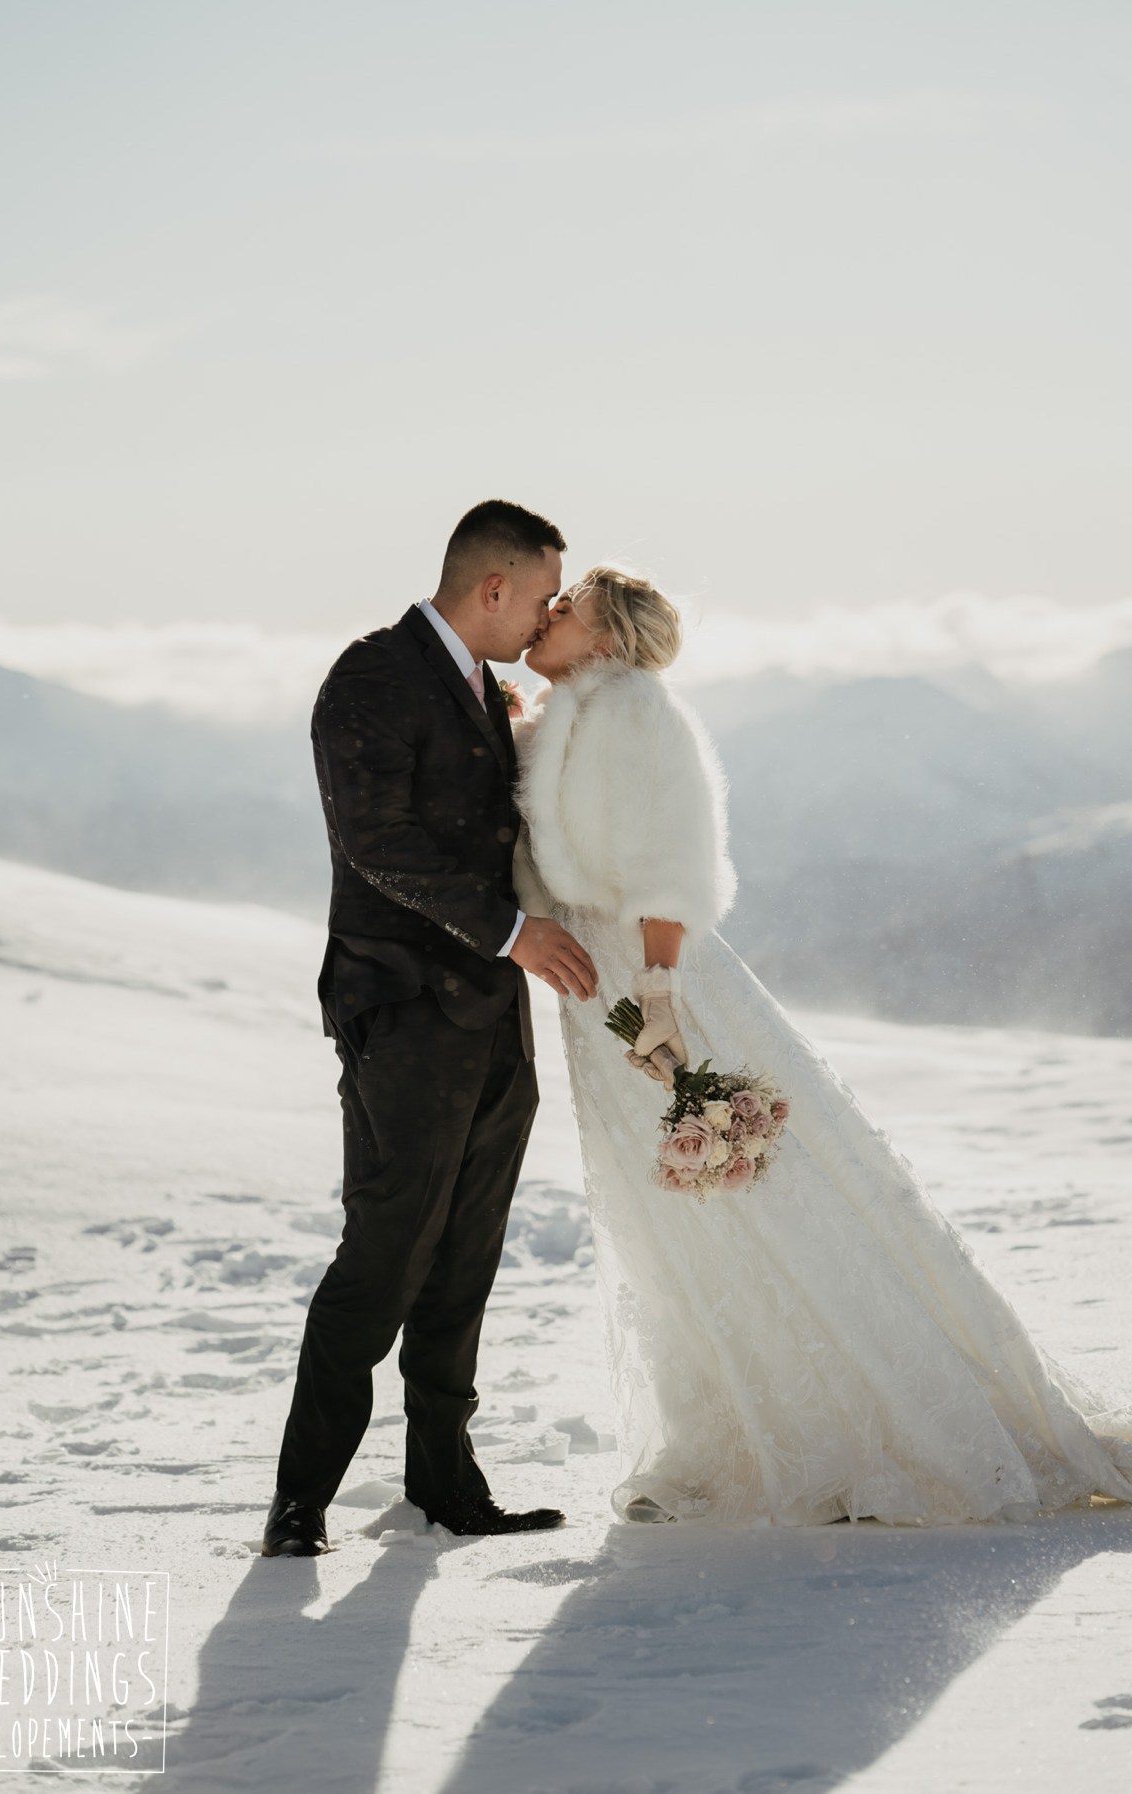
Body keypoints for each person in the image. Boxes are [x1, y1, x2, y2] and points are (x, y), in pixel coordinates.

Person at [515, 565, 1132, 1526]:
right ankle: (730, 1427)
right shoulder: (570, 714)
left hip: (650, 980)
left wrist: (662, 991)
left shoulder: (636, 711)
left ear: (605, 640)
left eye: (568, 609)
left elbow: (672, 854)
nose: (548, 617)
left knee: (751, 1186)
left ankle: (860, 1424)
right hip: (596, 988)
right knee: (673, 1211)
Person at [262, 500, 598, 1556]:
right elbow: (377, 843)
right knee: (386, 1252)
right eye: (542, 595)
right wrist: (512, 933)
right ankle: (300, 1503)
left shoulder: (486, 689)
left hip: (495, 1019)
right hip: (399, 1011)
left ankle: (446, 1488)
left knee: (468, 1253)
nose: (546, 614)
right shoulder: (370, 677)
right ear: (492, 589)